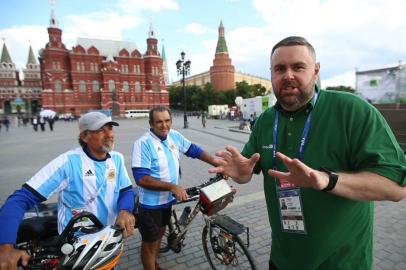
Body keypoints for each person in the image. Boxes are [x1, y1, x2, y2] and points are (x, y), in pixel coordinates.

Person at [209, 36, 406, 270]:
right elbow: (246, 171)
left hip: (342, 263)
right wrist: (243, 174)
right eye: (279, 69)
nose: (288, 75)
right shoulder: (265, 121)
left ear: (316, 71)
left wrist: (327, 180)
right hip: (282, 260)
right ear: (271, 74)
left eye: (298, 67)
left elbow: (396, 188)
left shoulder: (352, 110)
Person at [0, 111, 136, 269]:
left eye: (110, 128)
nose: (109, 134)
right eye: (100, 130)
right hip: (75, 248)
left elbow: (126, 190)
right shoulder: (67, 162)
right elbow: (18, 200)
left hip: (107, 241)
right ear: (85, 137)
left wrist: (125, 210)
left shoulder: (117, 158)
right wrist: (6, 247)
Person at [131, 106, 218, 270]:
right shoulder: (143, 144)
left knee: (161, 233)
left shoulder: (174, 136)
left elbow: (194, 150)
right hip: (150, 205)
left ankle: (155, 265)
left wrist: (216, 163)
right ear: (151, 123)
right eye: (159, 122)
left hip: (167, 200)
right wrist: (172, 186)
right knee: (150, 244)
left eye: (167, 121)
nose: (164, 125)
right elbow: (141, 178)